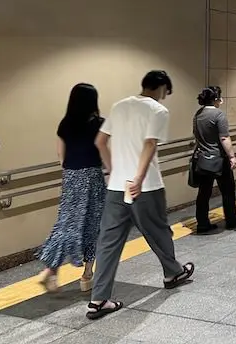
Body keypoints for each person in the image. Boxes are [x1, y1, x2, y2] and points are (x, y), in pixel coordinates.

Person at [88, 70, 194, 320]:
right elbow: (150, 143)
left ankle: (98, 300)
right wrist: (137, 177)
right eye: (166, 91)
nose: (165, 96)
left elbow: (100, 142)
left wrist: (114, 170)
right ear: (161, 88)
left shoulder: (119, 106)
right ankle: (172, 273)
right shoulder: (157, 110)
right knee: (159, 231)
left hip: (116, 187)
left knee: (108, 242)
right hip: (146, 187)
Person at [37, 83, 107, 294]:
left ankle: (51, 270)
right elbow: (104, 150)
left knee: (66, 223)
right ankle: (87, 275)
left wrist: (73, 171)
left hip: (70, 176)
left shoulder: (65, 124)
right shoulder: (99, 124)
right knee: (93, 224)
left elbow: (61, 155)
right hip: (92, 177)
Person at [192, 86, 236, 234]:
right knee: (227, 190)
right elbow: (224, 137)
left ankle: (202, 224)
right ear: (216, 99)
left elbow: (196, 136)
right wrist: (232, 156)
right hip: (219, 159)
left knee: (204, 192)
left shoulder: (198, 114)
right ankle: (231, 220)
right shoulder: (218, 115)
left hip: (203, 159)